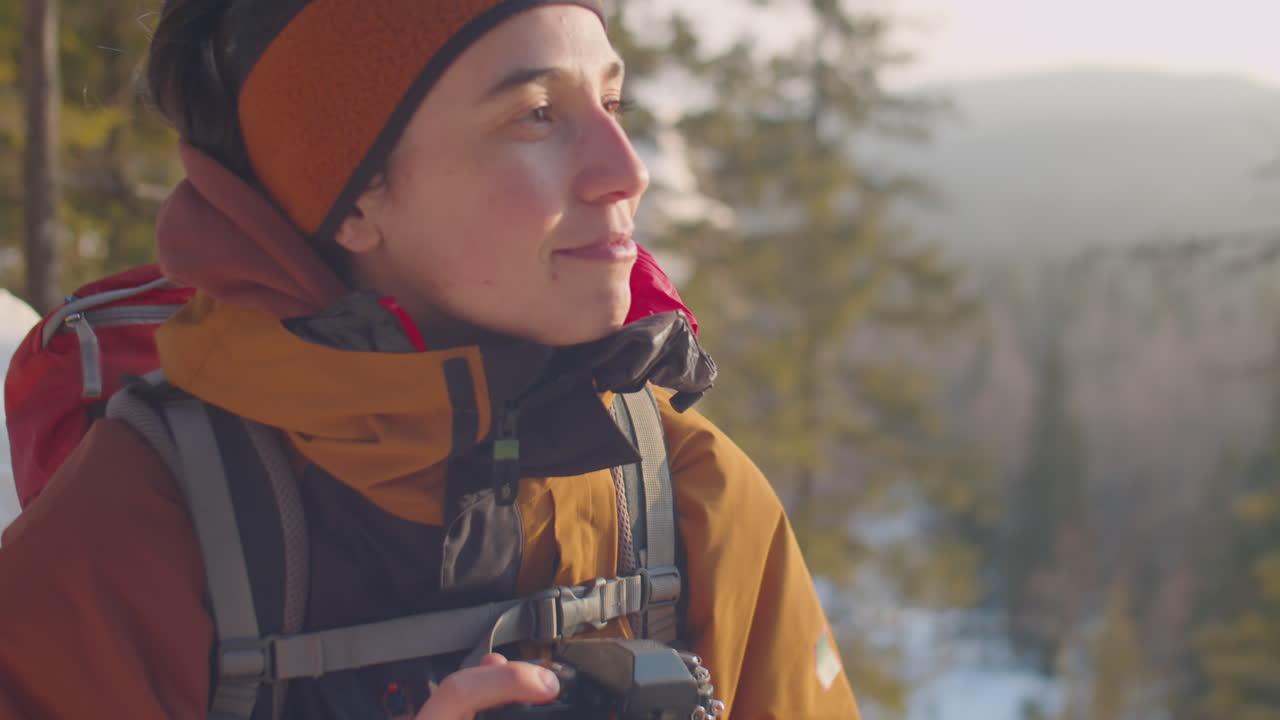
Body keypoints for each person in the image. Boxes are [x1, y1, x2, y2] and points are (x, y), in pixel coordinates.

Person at [0, 1, 860, 718]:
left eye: (612, 104)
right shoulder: (125, 543)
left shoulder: (692, 497)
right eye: (535, 115)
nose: (624, 170)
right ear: (351, 198)